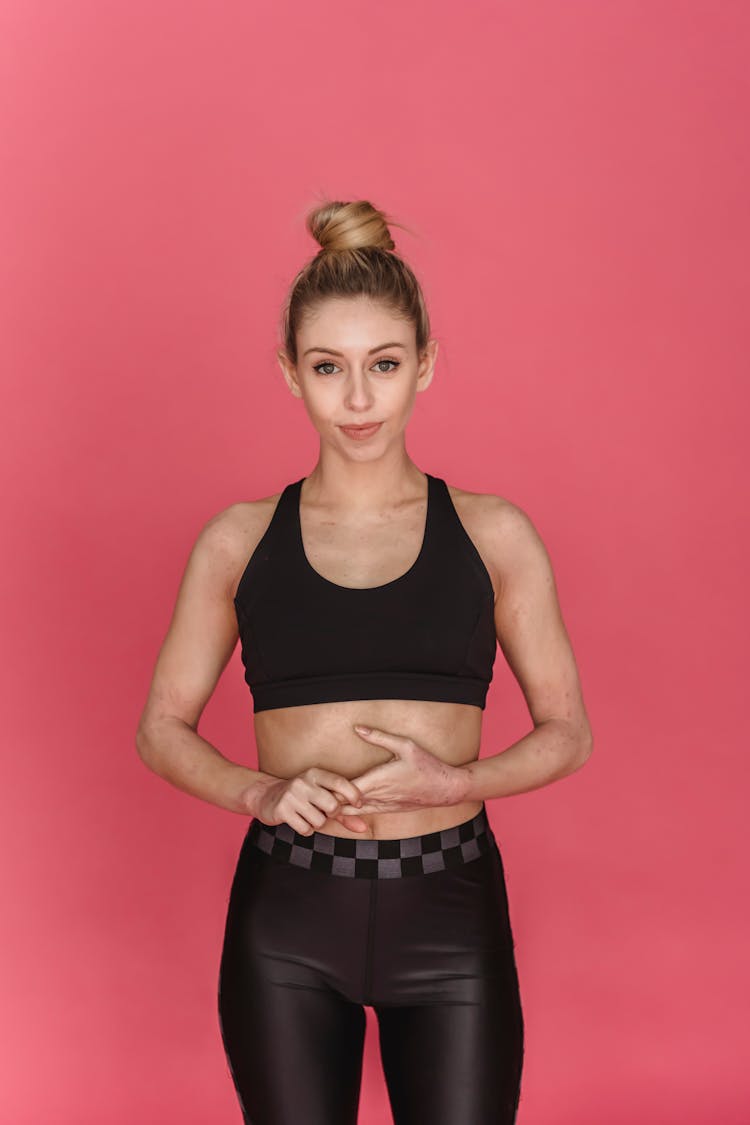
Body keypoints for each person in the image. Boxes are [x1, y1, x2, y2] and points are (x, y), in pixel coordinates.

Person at [136, 197, 593, 1125]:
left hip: (451, 908)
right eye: (327, 368)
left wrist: (456, 779)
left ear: (425, 365)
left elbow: (569, 733)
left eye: (383, 365)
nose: (357, 399)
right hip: (289, 919)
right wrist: (254, 793)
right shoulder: (238, 541)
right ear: (289, 374)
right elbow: (160, 727)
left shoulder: (494, 534)